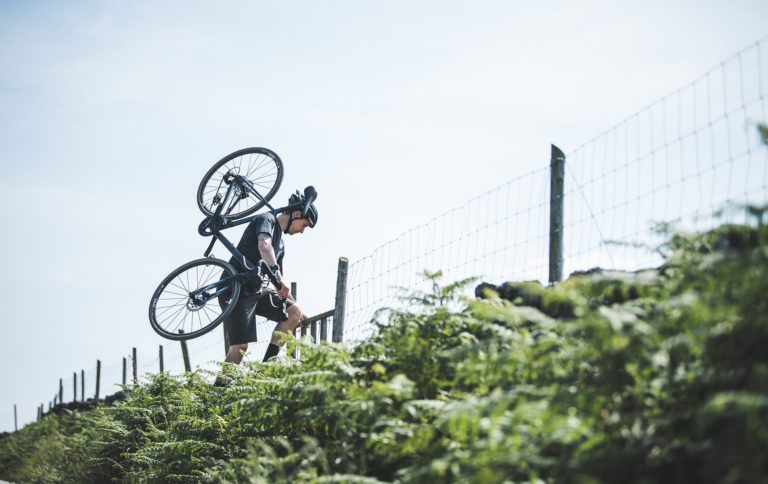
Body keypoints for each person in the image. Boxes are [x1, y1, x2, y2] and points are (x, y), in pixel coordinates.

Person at [221, 191, 318, 366]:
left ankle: (266, 368)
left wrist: (295, 305)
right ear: (296, 214)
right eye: (303, 225)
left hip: (258, 290)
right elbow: (263, 246)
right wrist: (275, 271)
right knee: (240, 346)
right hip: (236, 288)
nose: (302, 231)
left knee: (293, 312)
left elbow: (278, 280)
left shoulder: (281, 244)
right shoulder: (267, 219)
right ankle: (219, 390)